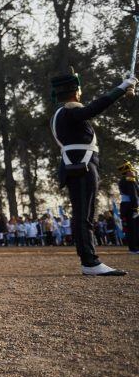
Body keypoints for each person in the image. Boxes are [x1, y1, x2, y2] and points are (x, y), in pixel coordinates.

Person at [49, 69, 135, 275]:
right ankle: (89, 261)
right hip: (81, 167)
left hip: (82, 166)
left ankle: (90, 260)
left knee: (85, 215)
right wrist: (121, 88)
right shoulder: (68, 112)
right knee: (83, 216)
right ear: (75, 91)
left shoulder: (66, 113)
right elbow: (95, 107)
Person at [117, 161, 139, 254]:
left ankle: (133, 247)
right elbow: (133, 195)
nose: (133, 172)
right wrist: (135, 208)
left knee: (131, 228)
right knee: (134, 228)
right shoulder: (129, 180)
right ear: (128, 172)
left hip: (126, 206)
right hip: (131, 206)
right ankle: (134, 248)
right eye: (131, 170)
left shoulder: (125, 180)